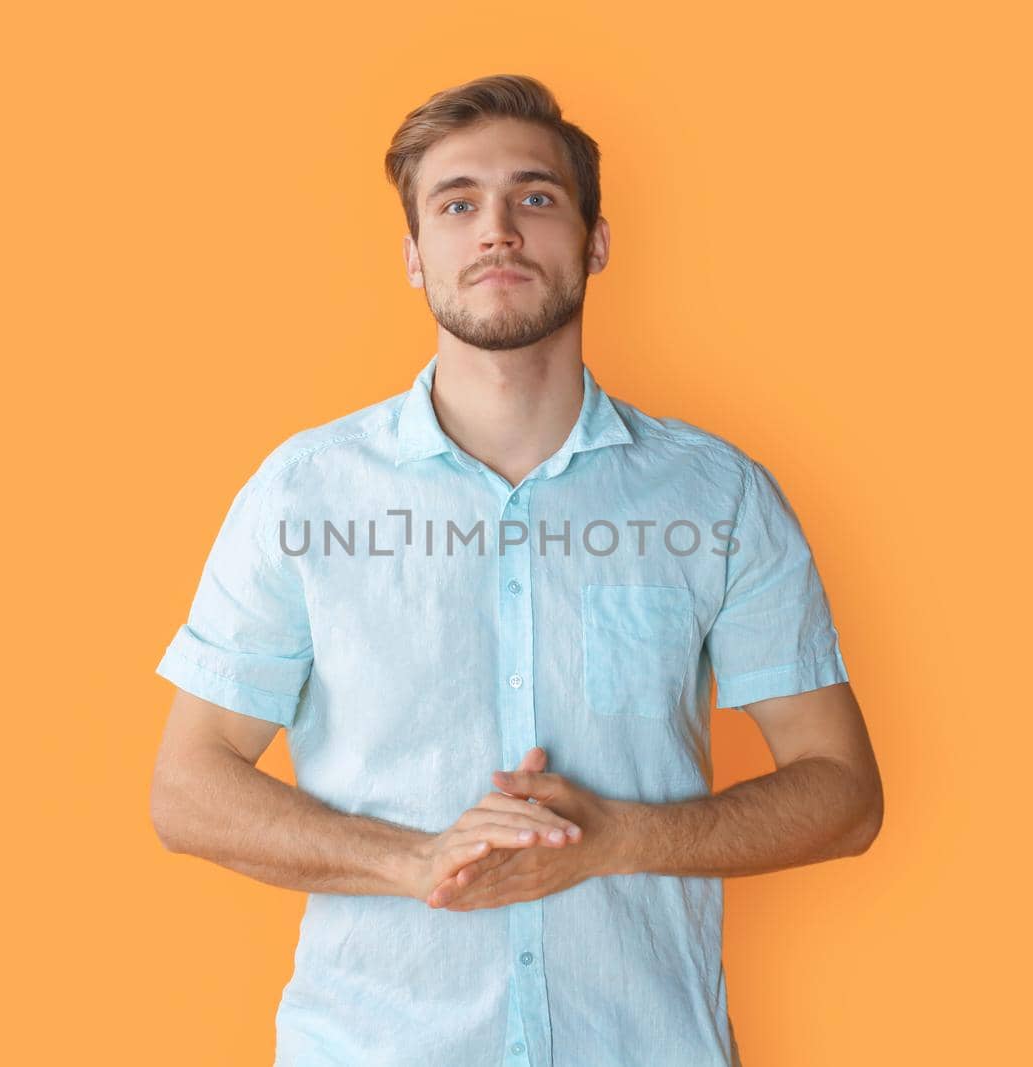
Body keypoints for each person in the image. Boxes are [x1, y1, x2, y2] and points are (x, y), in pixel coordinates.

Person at [149, 72, 884, 1067]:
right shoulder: (305, 494)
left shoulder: (716, 497)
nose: (497, 229)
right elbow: (186, 787)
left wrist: (621, 836)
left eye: (534, 197)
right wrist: (413, 860)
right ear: (415, 254)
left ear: (595, 241)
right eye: (458, 204)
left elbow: (841, 789)